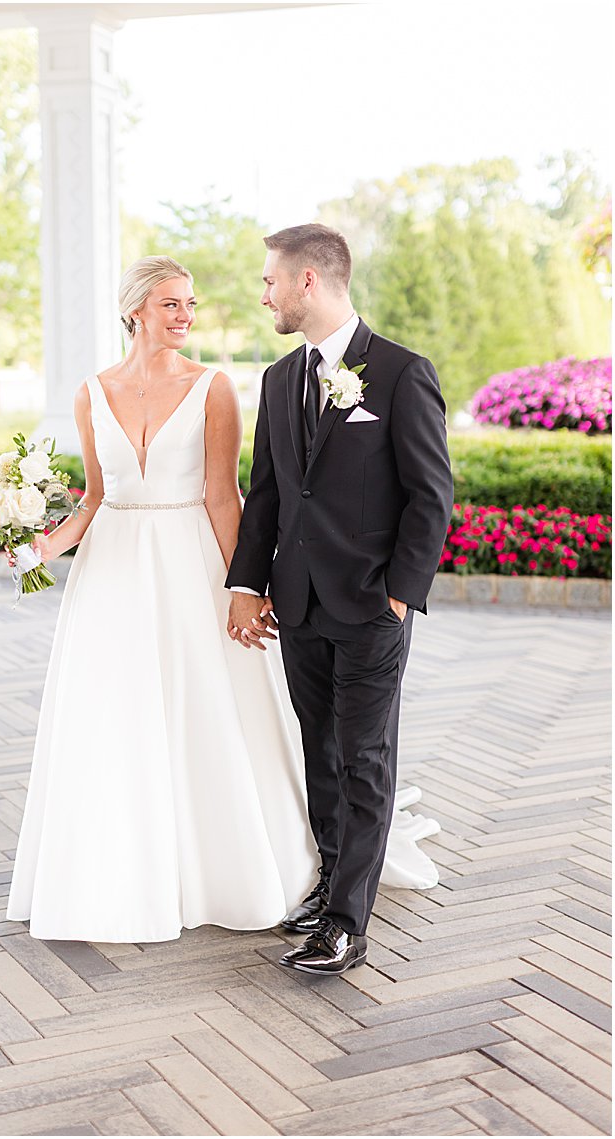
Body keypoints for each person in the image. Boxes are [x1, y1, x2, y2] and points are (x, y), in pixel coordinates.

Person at [5, 257, 321, 944]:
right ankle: (117, 873)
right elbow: (94, 497)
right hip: (111, 571)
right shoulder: (91, 392)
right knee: (115, 715)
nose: (186, 316)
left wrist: (247, 586)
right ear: (136, 310)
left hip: (191, 565)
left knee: (202, 704)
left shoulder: (213, 388)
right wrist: (39, 549)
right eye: (172, 304)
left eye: (190, 304)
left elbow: (222, 495)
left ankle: (225, 869)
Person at [226, 224, 453, 976]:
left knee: (364, 759)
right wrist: (247, 584)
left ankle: (350, 925)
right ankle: (329, 889)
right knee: (319, 756)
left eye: (270, 281)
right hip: (298, 605)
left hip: (369, 607)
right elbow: (267, 498)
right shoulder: (277, 380)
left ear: (309, 283)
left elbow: (431, 498)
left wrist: (398, 598)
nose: (263, 293)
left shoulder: (399, 373)